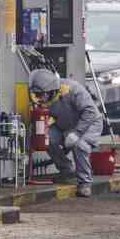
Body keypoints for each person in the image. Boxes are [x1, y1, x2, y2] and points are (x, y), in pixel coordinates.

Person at [28, 68, 103, 197]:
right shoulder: (44, 99)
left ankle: (85, 182)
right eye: (37, 95)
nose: (39, 98)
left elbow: (90, 112)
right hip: (65, 125)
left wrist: (77, 133)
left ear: (51, 91)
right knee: (47, 138)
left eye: (41, 94)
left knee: (80, 145)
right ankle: (67, 170)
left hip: (89, 124)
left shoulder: (73, 90)